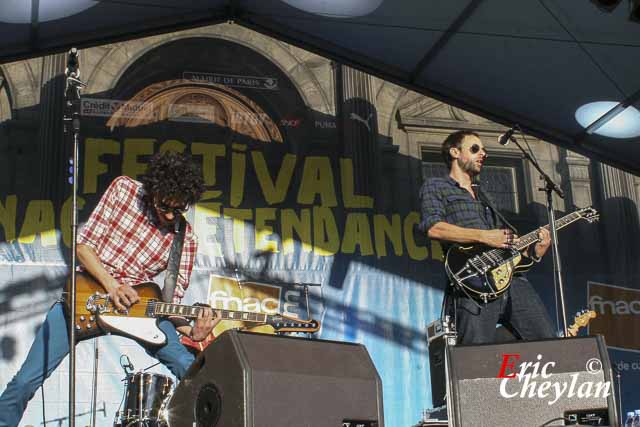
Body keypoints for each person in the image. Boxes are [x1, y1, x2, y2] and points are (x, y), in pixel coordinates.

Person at [0, 151, 220, 427]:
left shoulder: (185, 240)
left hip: (140, 311)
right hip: (88, 296)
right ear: (152, 191)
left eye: (178, 209)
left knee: (191, 371)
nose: (168, 215)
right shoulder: (124, 190)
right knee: (23, 383)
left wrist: (191, 331)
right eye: (164, 205)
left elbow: (171, 302)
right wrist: (112, 285)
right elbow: (83, 247)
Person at [419, 130, 556, 345]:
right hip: (473, 281)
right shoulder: (436, 186)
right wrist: (484, 236)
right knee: (474, 353)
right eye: (475, 149)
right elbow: (433, 228)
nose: (483, 153)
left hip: (510, 280)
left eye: (483, 149)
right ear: (455, 152)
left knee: (547, 341)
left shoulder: (484, 195)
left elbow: (505, 248)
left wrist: (535, 252)